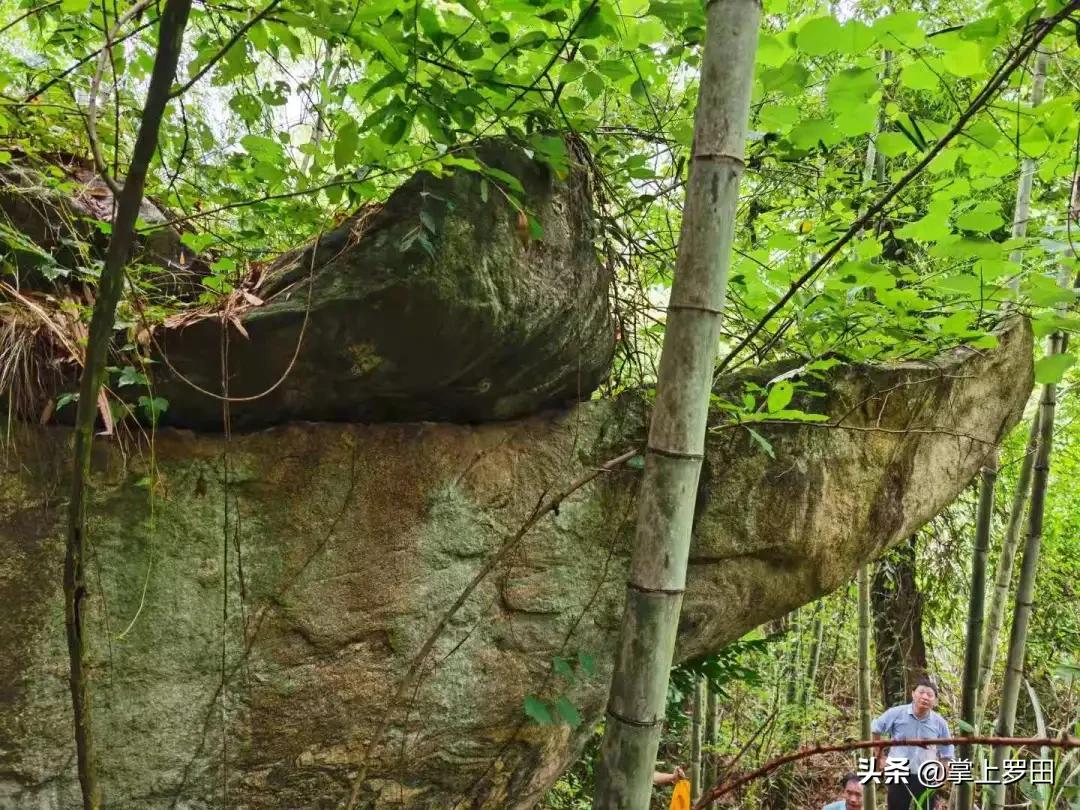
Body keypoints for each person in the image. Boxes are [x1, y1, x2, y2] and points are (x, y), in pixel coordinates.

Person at [871, 677, 954, 810]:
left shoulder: (939, 723)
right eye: (921, 692)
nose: (925, 697)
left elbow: (947, 752)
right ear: (913, 694)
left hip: (926, 774)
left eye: (930, 695)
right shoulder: (897, 713)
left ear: (935, 701)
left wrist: (941, 777)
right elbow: (876, 728)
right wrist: (879, 756)